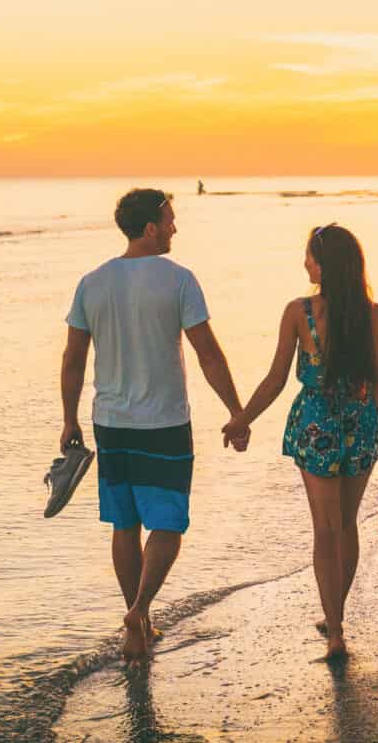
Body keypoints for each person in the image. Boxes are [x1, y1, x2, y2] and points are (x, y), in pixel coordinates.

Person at [59, 188, 246, 661]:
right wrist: (235, 411)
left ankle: (136, 623)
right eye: (169, 220)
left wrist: (68, 420)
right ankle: (141, 608)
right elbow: (207, 352)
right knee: (167, 525)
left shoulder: (92, 282)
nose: (174, 228)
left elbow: (73, 361)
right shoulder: (178, 280)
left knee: (125, 524)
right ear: (149, 228)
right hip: (163, 422)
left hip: (111, 424)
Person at [222, 225, 378, 662]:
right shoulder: (373, 313)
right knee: (345, 527)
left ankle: (336, 633)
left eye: (309, 255)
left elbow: (275, 379)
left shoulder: (298, 312)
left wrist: (242, 418)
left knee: (325, 532)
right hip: (361, 425)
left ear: (323, 264)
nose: (304, 262)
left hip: (317, 429)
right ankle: (335, 618)